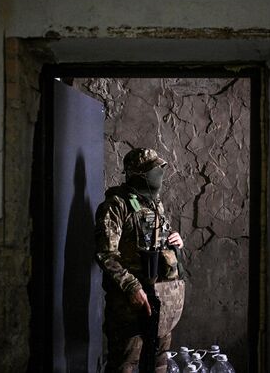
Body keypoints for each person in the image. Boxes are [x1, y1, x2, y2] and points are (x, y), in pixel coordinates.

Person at [95, 148, 185, 373]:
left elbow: (154, 241)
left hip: (160, 301)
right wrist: (132, 287)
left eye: (159, 167)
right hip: (129, 305)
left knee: (159, 365)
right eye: (153, 169)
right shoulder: (116, 206)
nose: (159, 173)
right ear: (137, 174)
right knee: (125, 364)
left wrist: (175, 241)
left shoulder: (154, 205)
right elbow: (106, 255)